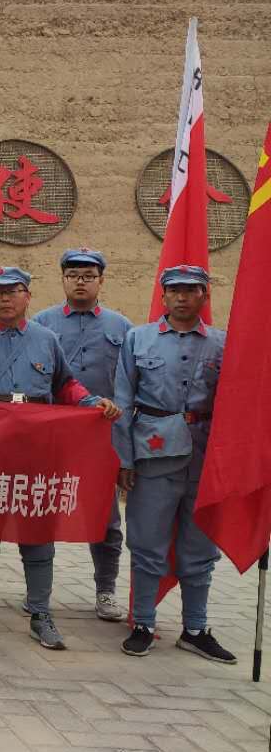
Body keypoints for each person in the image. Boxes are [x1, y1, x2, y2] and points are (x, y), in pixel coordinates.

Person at [0, 266, 120, 648]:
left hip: (36, 451)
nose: (5, 298)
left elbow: (66, 385)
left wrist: (91, 402)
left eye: (13, 291)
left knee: (37, 534)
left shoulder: (46, 339)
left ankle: (40, 614)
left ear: (27, 297)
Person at [114, 265, 235, 663]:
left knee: (199, 547)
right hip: (153, 454)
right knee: (147, 542)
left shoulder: (222, 344)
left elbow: (238, 402)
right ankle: (143, 624)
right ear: (163, 296)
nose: (182, 297)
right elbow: (122, 401)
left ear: (204, 296)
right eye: (175, 290)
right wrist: (124, 458)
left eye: (191, 290)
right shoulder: (138, 339)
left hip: (206, 458)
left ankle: (195, 629)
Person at [31, 248, 131, 622]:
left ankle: (105, 590)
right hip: (53, 433)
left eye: (88, 276)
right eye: (73, 275)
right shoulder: (42, 323)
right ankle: (37, 592)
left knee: (105, 517)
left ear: (101, 281)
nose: (80, 282)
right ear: (63, 279)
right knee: (42, 510)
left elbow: (130, 385)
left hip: (100, 435)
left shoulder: (122, 328)